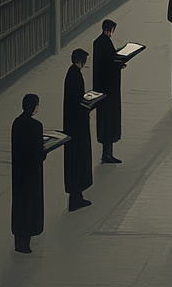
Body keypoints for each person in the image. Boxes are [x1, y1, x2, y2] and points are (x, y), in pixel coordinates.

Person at [11, 93, 45, 254]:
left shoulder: (17, 123)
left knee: (19, 205)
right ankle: (27, 240)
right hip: (31, 173)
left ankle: (18, 240)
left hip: (18, 172)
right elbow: (37, 153)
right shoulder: (36, 126)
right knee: (30, 204)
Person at [63, 48, 93, 211]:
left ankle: (77, 196)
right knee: (79, 157)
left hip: (73, 123)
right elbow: (77, 101)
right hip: (77, 124)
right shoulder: (75, 76)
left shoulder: (71, 73)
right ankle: (77, 196)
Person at [92, 18, 126, 163]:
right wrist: (118, 64)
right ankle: (107, 154)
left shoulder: (99, 42)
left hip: (103, 87)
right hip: (108, 88)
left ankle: (107, 153)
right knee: (109, 120)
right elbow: (108, 63)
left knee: (105, 120)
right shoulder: (103, 42)